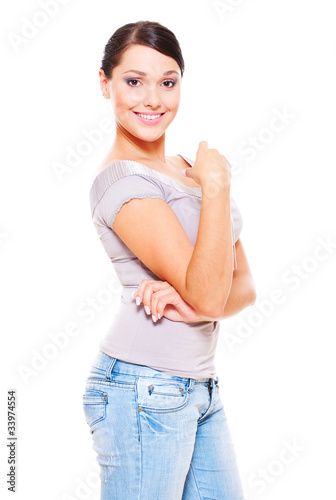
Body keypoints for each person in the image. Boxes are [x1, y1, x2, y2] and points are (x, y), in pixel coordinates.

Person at [82, 20, 256, 500]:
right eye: (133, 81)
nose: (153, 99)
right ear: (105, 83)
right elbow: (212, 290)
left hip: (198, 388)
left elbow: (244, 287)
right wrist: (217, 186)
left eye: (168, 81)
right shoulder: (122, 182)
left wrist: (201, 305)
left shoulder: (183, 168)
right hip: (141, 389)